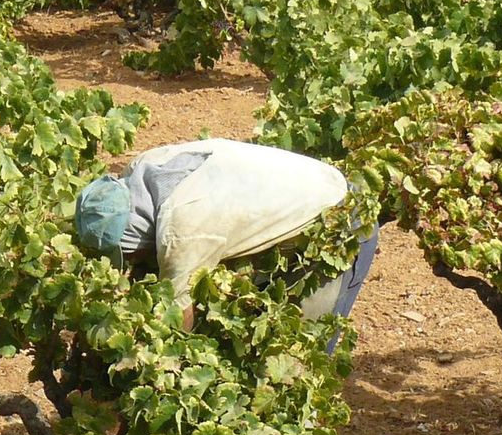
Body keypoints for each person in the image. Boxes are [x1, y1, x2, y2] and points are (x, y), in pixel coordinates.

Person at [75, 138, 378, 344]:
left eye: (129, 256)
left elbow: (180, 319)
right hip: (299, 192)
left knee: (302, 345)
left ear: (137, 238)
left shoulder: (182, 230)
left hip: (339, 221)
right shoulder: (143, 167)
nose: (130, 265)